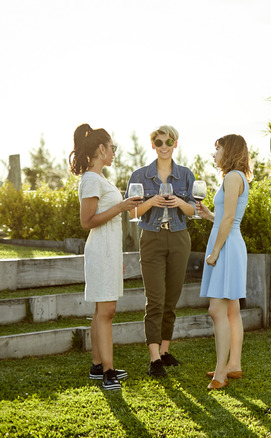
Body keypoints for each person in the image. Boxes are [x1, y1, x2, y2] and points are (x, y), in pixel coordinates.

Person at [70, 123, 142, 390]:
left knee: (102, 310)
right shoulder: (90, 179)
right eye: (112, 148)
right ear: (101, 149)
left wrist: (118, 254)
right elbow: (87, 221)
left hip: (109, 251)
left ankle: (97, 365)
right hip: (100, 250)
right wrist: (122, 206)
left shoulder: (101, 179)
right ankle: (108, 371)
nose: (114, 152)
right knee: (107, 311)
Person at [126, 125, 196, 377]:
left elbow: (195, 211)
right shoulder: (140, 175)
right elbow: (131, 212)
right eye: (159, 142)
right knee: (155, 299)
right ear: (153, 145)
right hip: (152, 238)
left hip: (179, 238)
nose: (164, 146)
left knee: (171, 298)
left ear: (176, 144)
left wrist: (180, 203)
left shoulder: (186, 175)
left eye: (168, 142)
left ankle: (165, 351)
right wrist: (150, 202)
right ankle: (154, 358)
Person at [196, 134, 252, 390]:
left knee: (217, 310)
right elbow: (224, 218)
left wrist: (215, 251)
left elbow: (229, 220)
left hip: (227, 246)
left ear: (228, 151)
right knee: (231, 310)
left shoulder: (232, 177)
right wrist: (209, 215)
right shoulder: (237, 177)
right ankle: (234, 365)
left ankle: (221, 374)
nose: (214, 153)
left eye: (217, 148)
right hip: (231, 243)